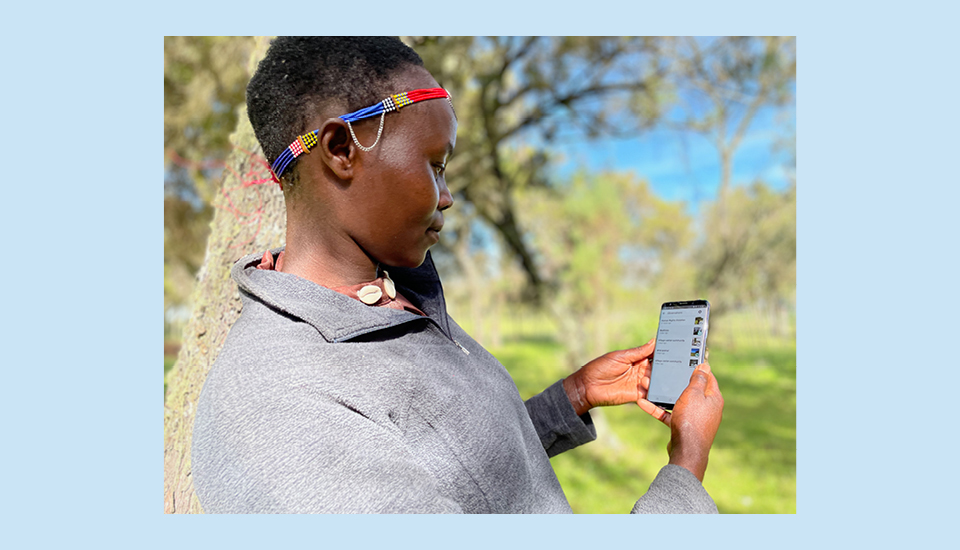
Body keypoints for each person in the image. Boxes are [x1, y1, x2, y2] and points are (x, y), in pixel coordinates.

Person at [191, 36, 724, 514]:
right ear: (341, 149)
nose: (446, 196)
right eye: (435, 164)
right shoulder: (277, 410)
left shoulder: (395, 297)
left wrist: (573, 397)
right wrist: (686, 467)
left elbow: (458, 477)